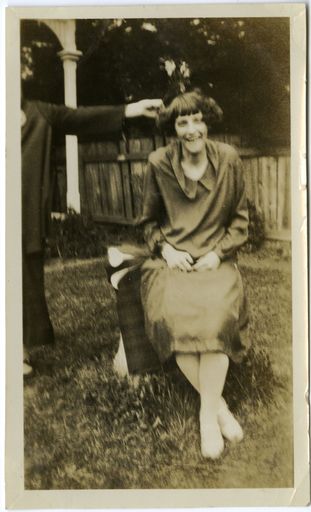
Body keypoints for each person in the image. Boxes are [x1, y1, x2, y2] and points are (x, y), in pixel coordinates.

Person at [140, 90, 249, 459]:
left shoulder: (229, 160)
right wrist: (167, 250)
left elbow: (239, 221)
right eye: (182, 121)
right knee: (170, 317)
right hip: (171, 261)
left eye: (197, 119)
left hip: (214, 262)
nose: (191, 129)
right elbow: (148, 223)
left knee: (216, 317)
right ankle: (217, 408)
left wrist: (218, 255)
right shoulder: (158, 163)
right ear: (173, 128)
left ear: (208, 121)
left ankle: (205, 416)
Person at [21, 96, 163, 376]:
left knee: (24, 279)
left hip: (24, 215)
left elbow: (81, 118)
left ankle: (18, 352)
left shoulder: (39, 113)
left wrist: (130, 109)